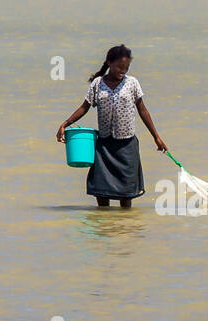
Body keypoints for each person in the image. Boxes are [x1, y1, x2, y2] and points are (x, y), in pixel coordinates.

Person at [56, 44, 168, 208]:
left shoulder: (132, 83)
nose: (123, 71)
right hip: (104, 145)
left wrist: (156, 137)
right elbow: (84, 107)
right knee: (101, 192)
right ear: (109, 63)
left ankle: (123, 227)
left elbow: (143, 110)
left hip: (126, 145)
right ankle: (104, 225)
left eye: (126, 68)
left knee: (126, 194)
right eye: (119, 67)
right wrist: (65, 124)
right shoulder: (97, 84)